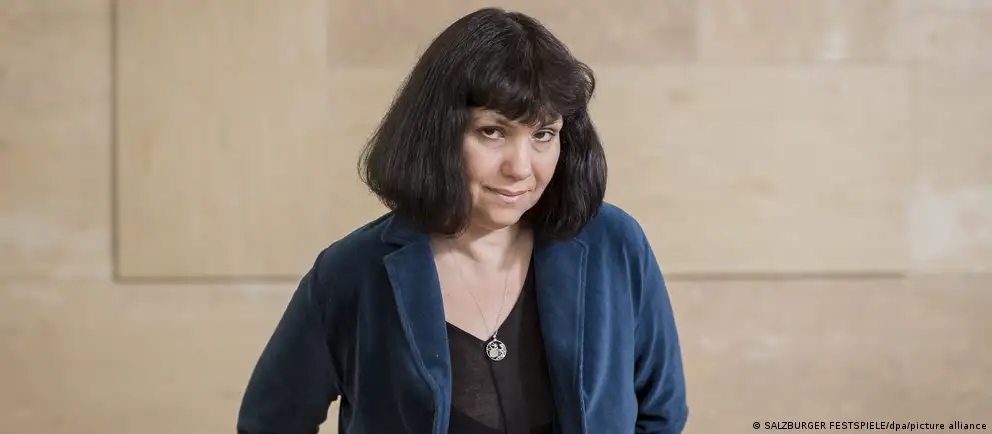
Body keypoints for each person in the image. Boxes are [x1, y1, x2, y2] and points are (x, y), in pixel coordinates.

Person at [236, 7, 688, 434]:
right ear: (438, 134)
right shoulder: (352, 272)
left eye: (543, 134)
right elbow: (270, 423)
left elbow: (661, 413)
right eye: (492, 131)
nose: (520, 167)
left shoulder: (615, 244)